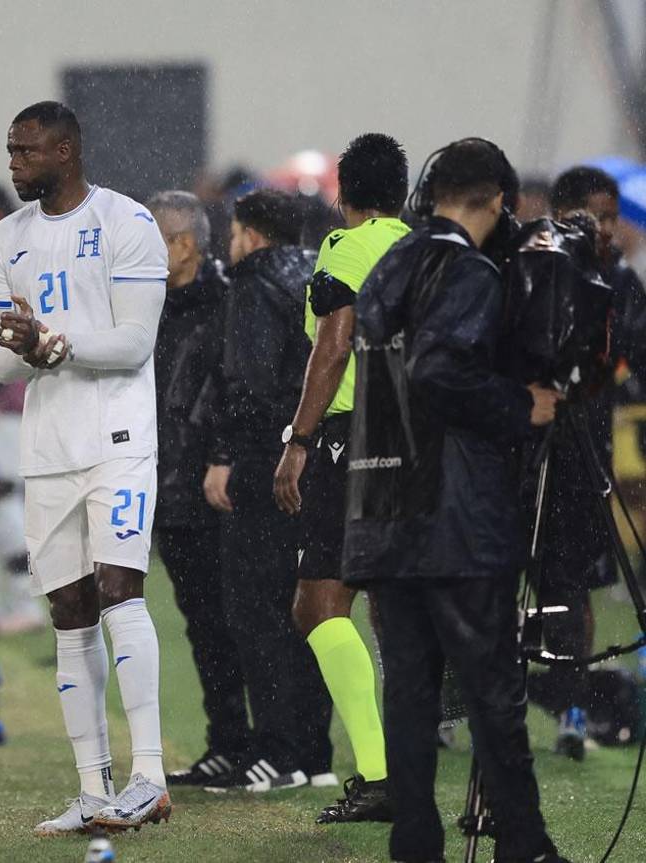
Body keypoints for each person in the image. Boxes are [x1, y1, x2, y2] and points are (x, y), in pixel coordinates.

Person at [344, 137, 568, 863]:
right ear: (498, 202)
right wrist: (519, 405)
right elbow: (441, 369)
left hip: (387, 507)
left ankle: (416, 847)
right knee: (492, 694)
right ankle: (526, 846)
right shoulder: (465, 269)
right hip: (456, 515)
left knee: (409, 698)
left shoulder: (389, 265)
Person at [0, 101, 170, 833]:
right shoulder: (6, 238)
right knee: (68, 612)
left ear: (65, 151)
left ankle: (149, 775)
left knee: (120, 588)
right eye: (10, 150)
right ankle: (93, 787)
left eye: (25, 151)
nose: (13, 163)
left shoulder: (127, 224)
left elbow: (133, 343)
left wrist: (53, 343)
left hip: (119, 437)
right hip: (48, 447)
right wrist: (30, 347)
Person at [272, 133, 410, 823]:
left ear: (344, 192)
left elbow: (332, 345)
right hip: (419, 437)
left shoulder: (342, 248)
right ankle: (418, 750)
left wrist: (298, 440)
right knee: (396, 604)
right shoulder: (419, 247)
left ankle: (383, 774)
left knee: (319, 605)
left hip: (352, 439)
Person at [202, 189, 336, 791]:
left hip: (269, 463)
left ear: (250, 235)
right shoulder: (318, 272)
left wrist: (227, 455)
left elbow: (248, 380)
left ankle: (277, 750)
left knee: (255, 611)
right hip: (320, 455)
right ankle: (313, 749)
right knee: (307, 607)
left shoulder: (252, 284)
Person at [538, 166, 646, 759]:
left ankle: (572, 709)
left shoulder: (622, 282)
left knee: (571, 586)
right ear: (561, 215)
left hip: (585, 458)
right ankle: (462, 708)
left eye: (610, 216)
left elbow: (636, 355)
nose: (606, 228)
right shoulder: (531, 267)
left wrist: (611, 379)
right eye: (595, 216)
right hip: (520, 455)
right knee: (491, 586)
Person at [141, 190, 246, 787]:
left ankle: (274, 744)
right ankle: (229, 741)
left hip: (216, 486)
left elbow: (233, 393)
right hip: (168, 485)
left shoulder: (225, 304)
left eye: (149, 236)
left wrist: (220, 458)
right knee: (203, 621)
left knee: (239, 621)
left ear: (182, 245)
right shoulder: (147, 304)